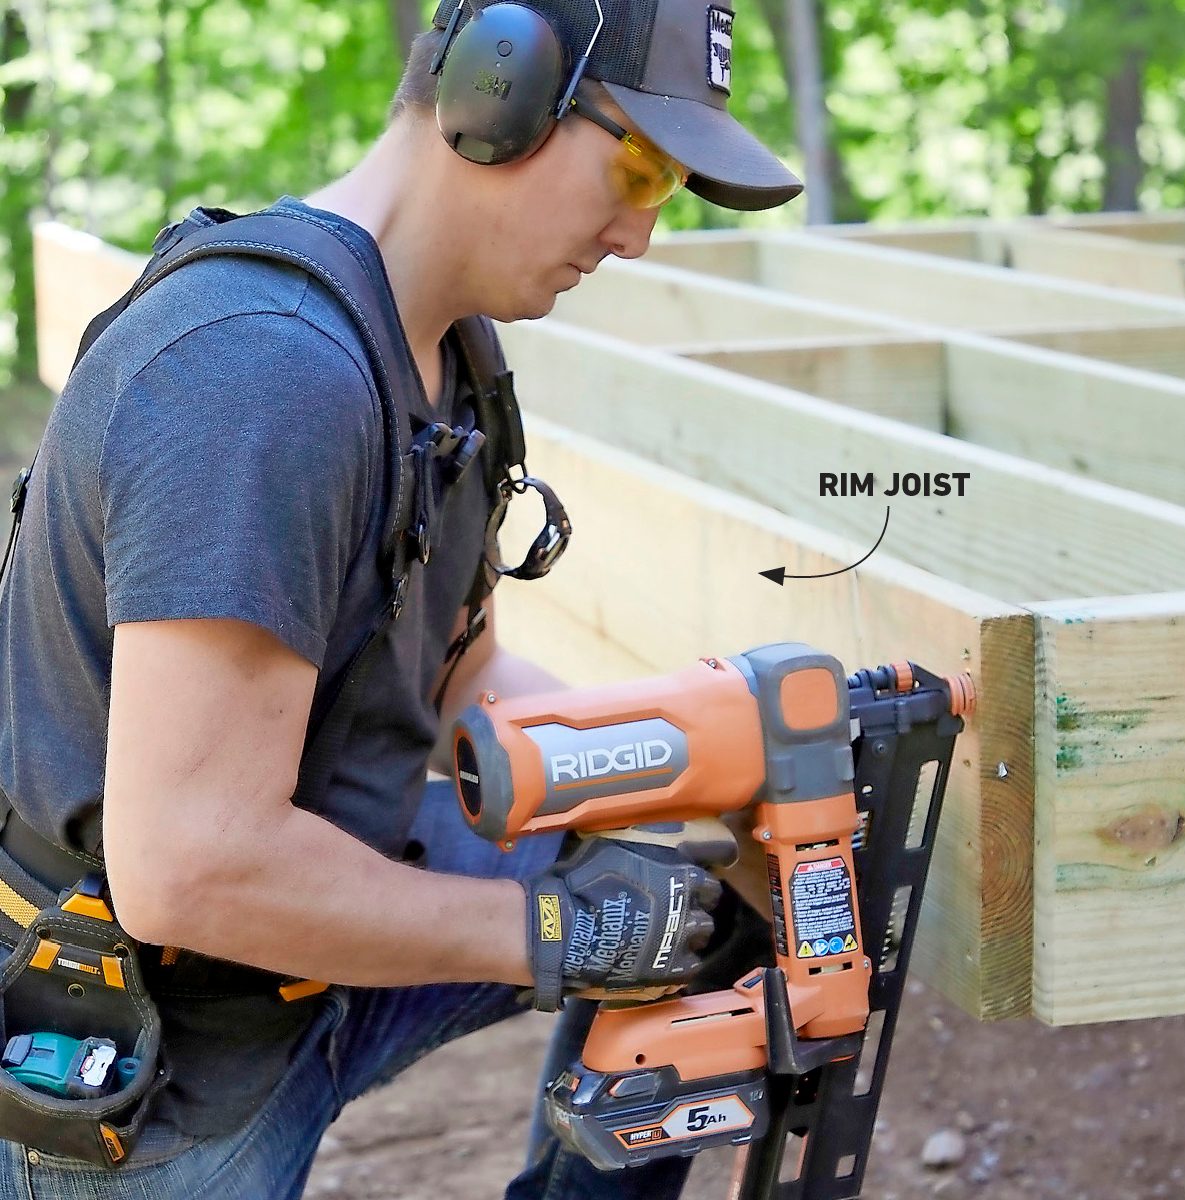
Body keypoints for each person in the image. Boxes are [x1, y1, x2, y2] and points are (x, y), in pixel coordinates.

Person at [0, 0, 802, 1194]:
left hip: (325, 903)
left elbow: (462, 689)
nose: (641, 231)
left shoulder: (445, 353)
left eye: (670, 183)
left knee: (696, 921)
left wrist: (707, 769)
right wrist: (551, 935)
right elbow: (188, 864)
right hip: (160, 1040)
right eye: (636, 163)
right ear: (499, 91)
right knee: (616, 922)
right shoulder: (265, 374)